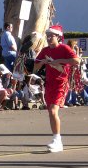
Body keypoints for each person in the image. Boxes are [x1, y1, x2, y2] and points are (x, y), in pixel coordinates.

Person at [34, 25, 80, 153]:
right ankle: (56, 139)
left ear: (58, 37)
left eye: (51, 36)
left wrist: (59, 60)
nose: (48, 38)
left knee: (53, 111)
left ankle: (57, 141)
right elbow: (35, 67)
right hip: (49, 84)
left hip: (61, 83)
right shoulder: (45, 50)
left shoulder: (64, 48)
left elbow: (76, 61)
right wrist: (42, 62)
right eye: (47, 36)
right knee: (50, 112)